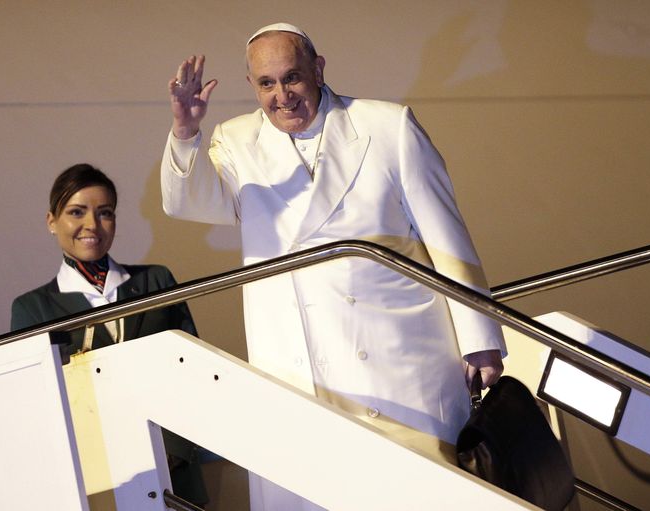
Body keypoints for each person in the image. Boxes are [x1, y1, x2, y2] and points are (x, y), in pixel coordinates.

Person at [161, 23, 506, 509]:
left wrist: (480, 338)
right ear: (252, 87)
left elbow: (446, 235)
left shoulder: (387, 126)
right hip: (298, 361)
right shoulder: (237, 140)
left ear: (318, 69)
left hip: (399, 357)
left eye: (293, 77)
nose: (282, 95)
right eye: (267, 84)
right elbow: (189, 203)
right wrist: (185, 131)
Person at [11, 163, 208, 507]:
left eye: (105, 213)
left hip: (173, 478)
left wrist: (175, 454)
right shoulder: (33, 309)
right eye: (76, 212)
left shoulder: (156, 282)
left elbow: (194, 370)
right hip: (94, 481)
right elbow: (36, 408)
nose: (92, 225)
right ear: (51, 221)